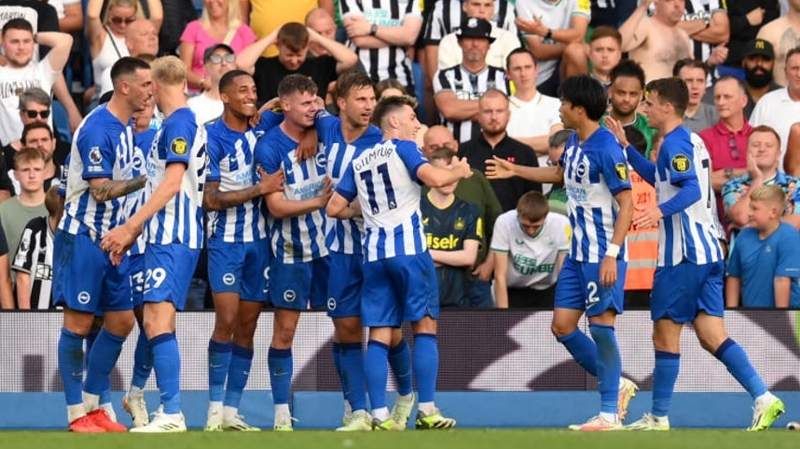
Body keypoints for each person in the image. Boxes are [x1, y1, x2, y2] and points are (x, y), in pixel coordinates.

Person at [612, 76, 784, 431]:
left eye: (650, 102)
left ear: (667, 107)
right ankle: (764, 397)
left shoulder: (675, 144)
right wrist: (626, 147)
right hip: (709, 250)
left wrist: (660, 212)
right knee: (710, 335)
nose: (645, 108)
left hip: (683, 255)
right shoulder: (690, 140)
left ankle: (658, 416)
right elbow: (660, 175)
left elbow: (689, 189)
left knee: (664, 333)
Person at [485, 75, 637, 431]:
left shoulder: (607, 147)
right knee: (563, 326)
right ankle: (618, 384)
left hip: (603, 254)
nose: (559, 107)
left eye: (564, 102)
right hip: (577, 253)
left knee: (601, 327)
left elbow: (627, 204)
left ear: (579, 109)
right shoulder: (573, 143)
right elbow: (559, 174)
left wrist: (613, 254)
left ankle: (608, 414)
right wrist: (514, 169)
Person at [327, 95, 472, 430]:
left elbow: (334, 208)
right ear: (393, 122)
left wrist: (366, 211)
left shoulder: (360, 160)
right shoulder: (405, 149)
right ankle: (427, 410)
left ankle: (377, 414)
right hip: (409, 251)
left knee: (379, 333)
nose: (417, 124)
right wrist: (459, 171)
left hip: (374, 254)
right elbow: (436, 180)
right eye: (411, 117)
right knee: (424, 327)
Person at [102, 55, 208, 433]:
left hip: (172, 237)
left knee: (157, 320)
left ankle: (173, 413)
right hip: (161, 237)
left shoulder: (179, 123)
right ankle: (137, 393)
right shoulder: (176, 122)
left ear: (158, 84)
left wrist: (130, 228)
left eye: (148, 85)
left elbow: (171, 184)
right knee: (152, 320)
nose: (145, 92)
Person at [53, 56, 151, 433]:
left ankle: (94, 406)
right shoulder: (98, 128)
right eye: (145, 85)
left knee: (122, 321)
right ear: (125, 87)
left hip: (114, 243)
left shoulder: (124, 127)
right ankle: (76, 413)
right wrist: (149, 182)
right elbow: (101, 189)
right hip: (84, 238)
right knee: (77, 325)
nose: (150, 91)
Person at [316, 71, 417, 431]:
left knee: (388, 332)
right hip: (338, 251)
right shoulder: (325, 128)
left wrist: (356, 205)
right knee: (345, 330)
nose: (369, 105)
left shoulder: (383, 141)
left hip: (377, 248)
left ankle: (405, 394)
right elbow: (293, 105)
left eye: (372, 99)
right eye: (361, 99)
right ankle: (357, 409)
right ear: (340, 103)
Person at [202, 69, 284, 432]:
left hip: (260, 243)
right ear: (224, 97)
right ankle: (214, 409)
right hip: (226, 242)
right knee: (227, 322)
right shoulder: (212, 137)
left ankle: (232, 411)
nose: (250, 95)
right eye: (243, 91)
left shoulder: (262, 126)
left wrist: (270, 104)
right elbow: (211, 199)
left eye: (254, 89)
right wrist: (261, 189)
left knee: (248, 328)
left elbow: (307, 111)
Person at [254, 74, 331, 431]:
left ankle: (355, 409)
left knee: (349, 326)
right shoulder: (269, 146)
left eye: (315, 101)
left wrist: (315, 128)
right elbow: (277, 207)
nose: (313, 107)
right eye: (305, 103)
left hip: (333, 247)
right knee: (284, 332)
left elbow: (333, 109)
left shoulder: (325, 127)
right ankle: (282, 412)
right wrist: (320, 202)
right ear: (286, 105)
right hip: (291, 251)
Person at [422, 125, 502, 308]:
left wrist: (489, 263)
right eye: (434, 146)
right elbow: (415, 254)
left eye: (446, 144)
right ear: (424, 152)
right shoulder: (416, 194)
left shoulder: (471, 201)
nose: (448, 180)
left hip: (472, 281)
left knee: (477, 334)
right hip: (427, 283)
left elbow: (497, 223)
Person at [120, 97, 158, 429]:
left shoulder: (163, 137)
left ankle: (136, 392)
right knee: (105, 324)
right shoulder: (109, 138)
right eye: (137, 102)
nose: (142, 107)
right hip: (118, 244)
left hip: (152, 246)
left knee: (152, 322)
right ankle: (95, 401)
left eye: (148, 101)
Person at [458, 89, 540, 212]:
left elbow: (534, 199)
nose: (494, 117)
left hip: (516, 225)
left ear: (509, 115)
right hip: (472, 225)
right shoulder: (463, 152)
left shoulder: (525, 153)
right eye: (488, 111)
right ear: (478, 116)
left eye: (499, 111)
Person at [421, 148, 482, 308]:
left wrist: (429, 253)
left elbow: (469, 258)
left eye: (453, 173)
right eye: (444, 173)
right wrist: (453, 258)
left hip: (459, 300)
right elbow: (411, 257)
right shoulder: (415, 208)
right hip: (421, 299)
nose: (450, 180)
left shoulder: (470, 210)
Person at [433, 17, 510, 143]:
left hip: (494, 150)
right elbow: (449, 109)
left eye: (480, 39)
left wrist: (462, 110)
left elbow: (510, 110)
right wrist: (492, 109)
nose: (475, 44)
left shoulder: (503, 76)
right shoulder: (444, 75)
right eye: (469, 38)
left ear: (489, 45)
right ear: (459, 42)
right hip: (453, 152)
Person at [0, 18, 73, 146]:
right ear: (3, 43)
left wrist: (34, 36)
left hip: (42, 151)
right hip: (9, 155)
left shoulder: (43, 70)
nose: (21, 47)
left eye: (26, 41)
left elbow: (66, 40)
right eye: (14, 41)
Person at [491, 191, 569, 308]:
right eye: (526, 226)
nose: (531, 231)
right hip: (514, 290)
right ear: (518, 215)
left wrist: (564, 309)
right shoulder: (504, 222)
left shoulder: (561, 224)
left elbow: (564, 273)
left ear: (545, 217)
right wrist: (503, 315)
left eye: (536, 226)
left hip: (547, 289)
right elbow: (499, 275)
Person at [726, 185, 800, 309]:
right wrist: (731, 313)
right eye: (750, 207)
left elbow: (782, 279)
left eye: (755, 208)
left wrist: (780, 319)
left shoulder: (789, 236)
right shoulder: (743, 236)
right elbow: (734, 277)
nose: (749, 213)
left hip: (788, 316)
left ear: (773, 212)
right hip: (751, 315)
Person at [179, 0, 256, 94]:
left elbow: (249, 69)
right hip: (198, 95)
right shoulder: (192, 28)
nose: (212, 1)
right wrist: (204, 82)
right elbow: (182, 70)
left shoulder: (244, 31)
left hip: (233, 95)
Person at [12, 184, 62, 309]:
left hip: (65, 318)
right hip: (35, 315)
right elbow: (22, 278)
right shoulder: (34, 229)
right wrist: (27, 318)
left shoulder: (77, 236)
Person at [618, 0, 693, 82]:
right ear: (656, 2)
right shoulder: (645, 26)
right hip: (650, 92)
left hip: (678, 93)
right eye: (669, 0)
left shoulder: (683, 35)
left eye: (681, 1)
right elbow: (618, 45)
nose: (677, 5)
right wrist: (642, 7)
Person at [187, 44, 236, 125]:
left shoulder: (244, 101)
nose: (224, 63)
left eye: (229, 57)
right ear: (205, 67)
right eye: (216, 58)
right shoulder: (192, 105)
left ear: (234, 64)